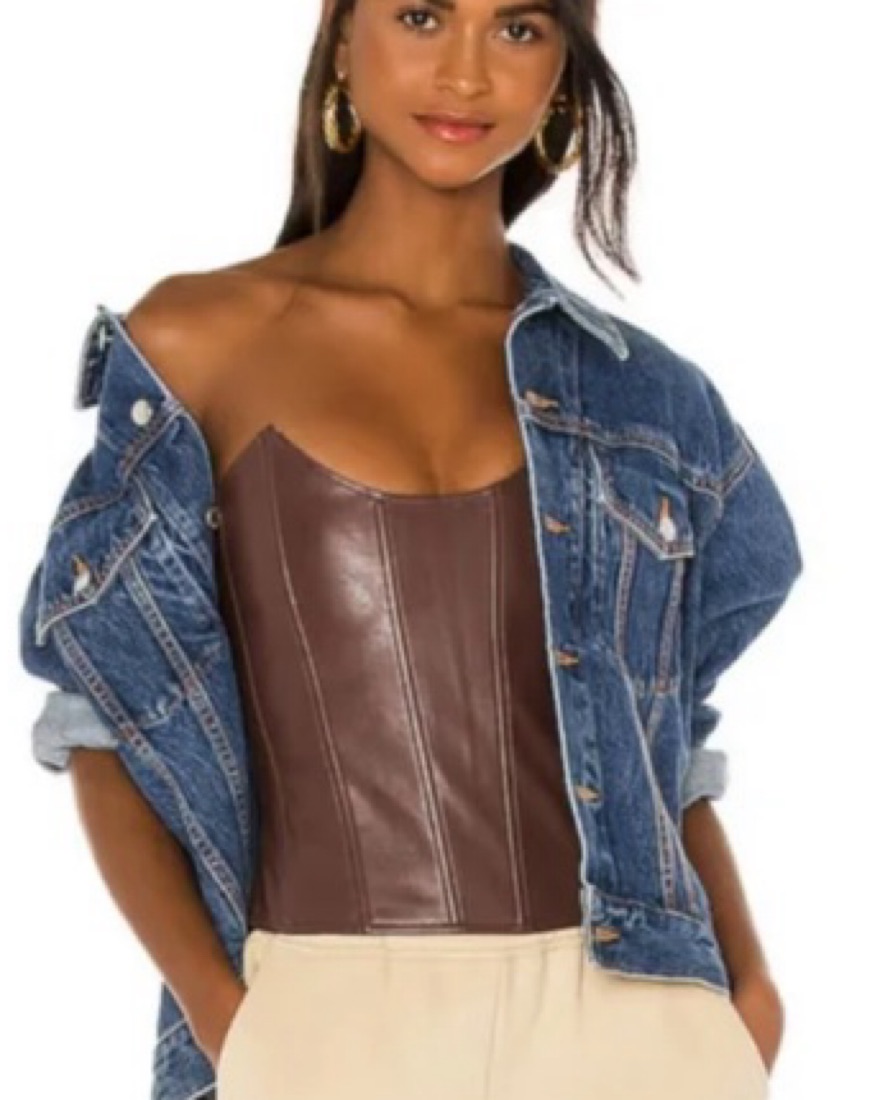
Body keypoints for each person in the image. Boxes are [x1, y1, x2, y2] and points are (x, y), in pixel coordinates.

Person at [18, 2, 803, 1098]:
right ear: (343, 40)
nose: (466, 73)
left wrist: (750, 995)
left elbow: (667, 737)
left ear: (565, 71)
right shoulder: (199, 343)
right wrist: (227, 1018)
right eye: (423, 15)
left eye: (519, 28)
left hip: (636, 1024)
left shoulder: (647, 396)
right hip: (326, 1022)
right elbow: (102, 718)